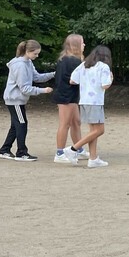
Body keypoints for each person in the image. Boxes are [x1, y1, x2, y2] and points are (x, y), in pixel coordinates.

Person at [0, 39, 55, 162]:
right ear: (27, 51)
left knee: (16, 125)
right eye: (35, 53)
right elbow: (24, 88)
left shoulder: (28, 62)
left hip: (18, 100)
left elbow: (37, 77)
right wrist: (43, 90)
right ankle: (21, 153)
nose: (37, 56)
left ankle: (4, 150)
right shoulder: (20, 65)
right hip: (15, 100)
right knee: (22, 124)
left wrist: (54, 74)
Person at [66, 45, 113, 168]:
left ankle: (93, 158)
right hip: (95, 102)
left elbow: (72, 80)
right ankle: (73, 149)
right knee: (99, 130)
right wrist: (111, 79)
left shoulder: (84, 65)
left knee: (93, 131)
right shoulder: (104, 67)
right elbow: (105, 85)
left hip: (84, 101)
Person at [52, 33, 87, 165]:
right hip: (65, 96)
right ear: (76, 45)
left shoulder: (68, 59)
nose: (84, 45)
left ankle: (78, 149)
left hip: (71, 95)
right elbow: (76, 79)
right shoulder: (72, 61)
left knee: (76, 122)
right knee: (65, 124)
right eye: (82, 43)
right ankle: (59, 153)